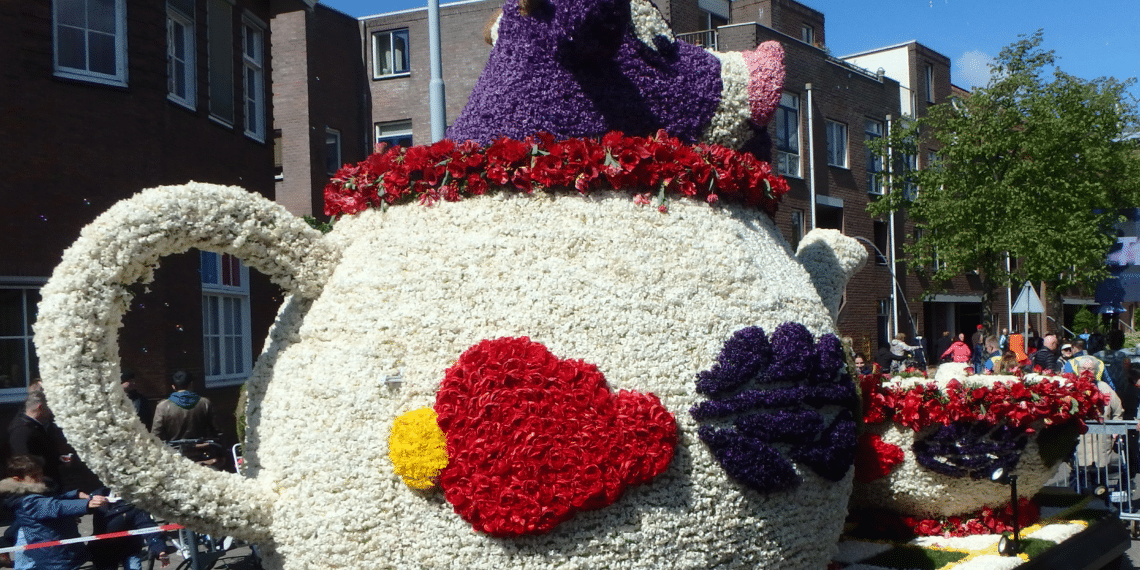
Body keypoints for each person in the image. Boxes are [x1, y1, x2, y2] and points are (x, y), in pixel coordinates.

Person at [0, 455, 108, 570]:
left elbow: (54, 499)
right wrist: (86, 505)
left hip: (61, 548)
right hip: (54, 555)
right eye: (34, 476)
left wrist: (75, 495)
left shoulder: (36, 489)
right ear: (18, 479)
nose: (40, 478)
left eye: (40, 473)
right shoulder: (27, 501)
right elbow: (55, 506)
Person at [89, 487, 170, 570]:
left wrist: (160, 550)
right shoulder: (98, 495)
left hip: (129, 549)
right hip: (103, 550)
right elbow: (79, 505)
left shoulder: (136, 506)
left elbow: (149, 528)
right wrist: (85, 506)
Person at [151, 371, 222, 465]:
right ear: (191, 384)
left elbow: (156, 435)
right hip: (201, 453)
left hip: (175, 456)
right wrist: (221, 452)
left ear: (173, 386)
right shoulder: (205, 403)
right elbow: (218, 431)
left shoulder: (162, 407)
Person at [7, 388, 67, 488]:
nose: (52, 411)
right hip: (37, 485)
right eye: (50, 407)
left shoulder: (37, 426)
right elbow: (23, 461)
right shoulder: (22, 431)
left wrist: (59, 459)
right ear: (40, 407)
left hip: (46, 480)